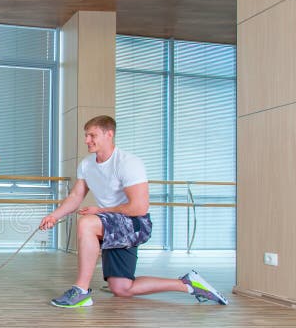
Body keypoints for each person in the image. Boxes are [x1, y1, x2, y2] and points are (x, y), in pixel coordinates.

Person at [39, 115, 228, 308]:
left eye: (92, 135)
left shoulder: (128, 163)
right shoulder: (87, 165)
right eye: (86, 135)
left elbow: (139, 207)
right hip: (112, 224)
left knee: (87, 223)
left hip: (136, 224)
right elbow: (75, 197)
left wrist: (101, 211)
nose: (87, 140)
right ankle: (188, 284)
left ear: (109, 134)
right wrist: (54, 216)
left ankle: (81, 291)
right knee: (122, 288)